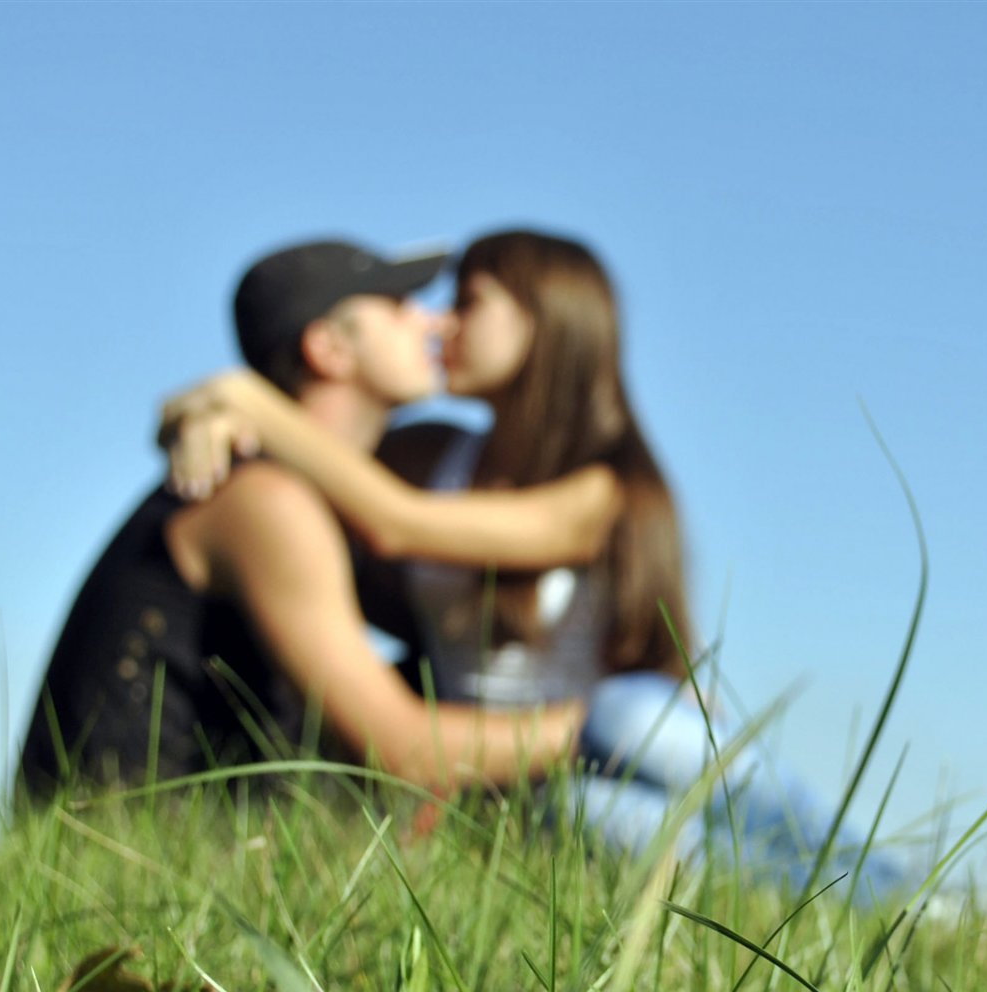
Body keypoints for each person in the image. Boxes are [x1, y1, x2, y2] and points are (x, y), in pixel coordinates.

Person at [165, 230, 908, 897]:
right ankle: (836, 904)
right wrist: (214, 420)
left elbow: (396, 525)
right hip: (513, 775)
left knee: (627, 717)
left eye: (470, 302)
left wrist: (249, 401)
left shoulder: (599, 492)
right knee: (599, 822)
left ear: (545, 320)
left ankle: (887, 888)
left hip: (618, 738)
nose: (441, 324)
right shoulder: (426, 453)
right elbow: (339, 470)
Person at [16, 238, 613, 803]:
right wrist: (604, 721)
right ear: (329, 347)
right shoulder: (267, 501)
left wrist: (229, 409)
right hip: (130, 857)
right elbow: (407, 750)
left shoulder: (305, 483)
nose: (431, 321)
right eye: (400, 306)